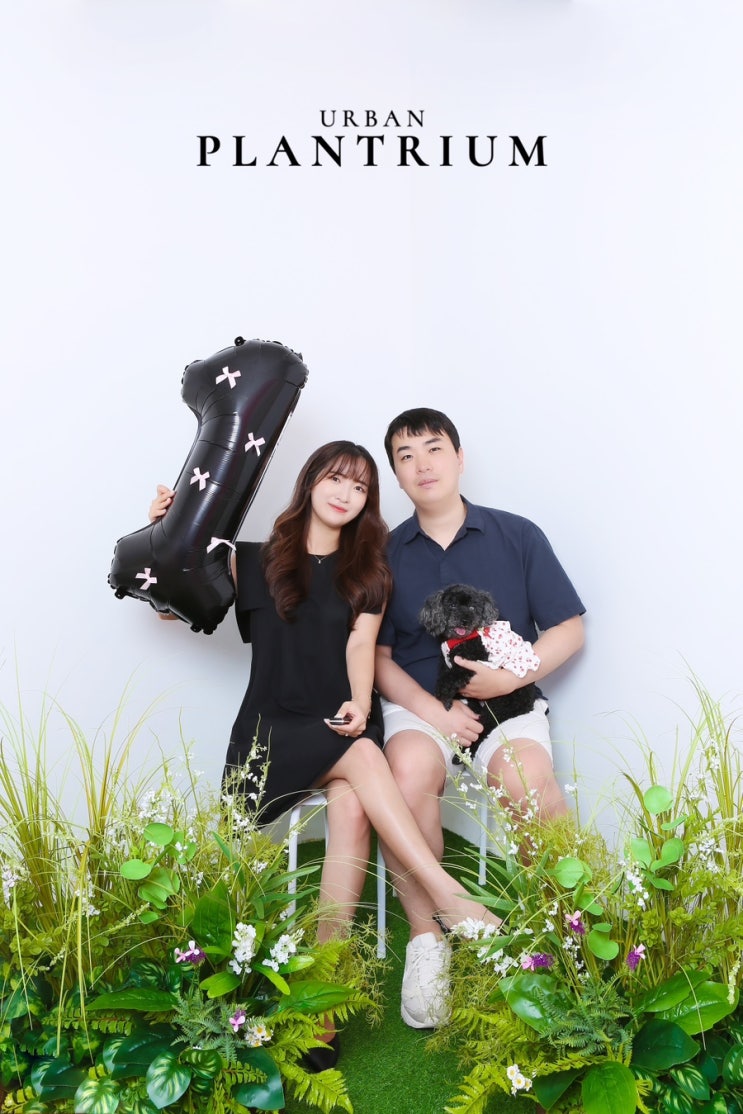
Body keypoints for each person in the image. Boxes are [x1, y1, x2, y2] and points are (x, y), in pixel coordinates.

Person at [149, 439, 501, 1065]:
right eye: (336, 478)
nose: (346, 493)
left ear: (368, 501)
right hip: (271, 729)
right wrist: (165, 531)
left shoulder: (368, 571)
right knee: (365, 759)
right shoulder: (250, 559)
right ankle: (447, 895)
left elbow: (361, 647)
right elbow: (171, 608)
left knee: (355, 795)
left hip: (340, 719)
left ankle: (321, 994)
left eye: (360, 487)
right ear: (311, 481)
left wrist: (362, 706)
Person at [374, 408, 585, 1030]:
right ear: (396, 475)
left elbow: (568, 628)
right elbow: (377, 659)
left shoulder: (517, 534)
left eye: (433, 448)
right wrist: (434, 711)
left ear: (460, 458)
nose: (422, 464)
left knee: (528, 782)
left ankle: (571, 934)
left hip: (508, 702)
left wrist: (511, 678)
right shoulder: (382, 554)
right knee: (407, 775)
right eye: (406, 456)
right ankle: (429, 939)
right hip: (421, 704)